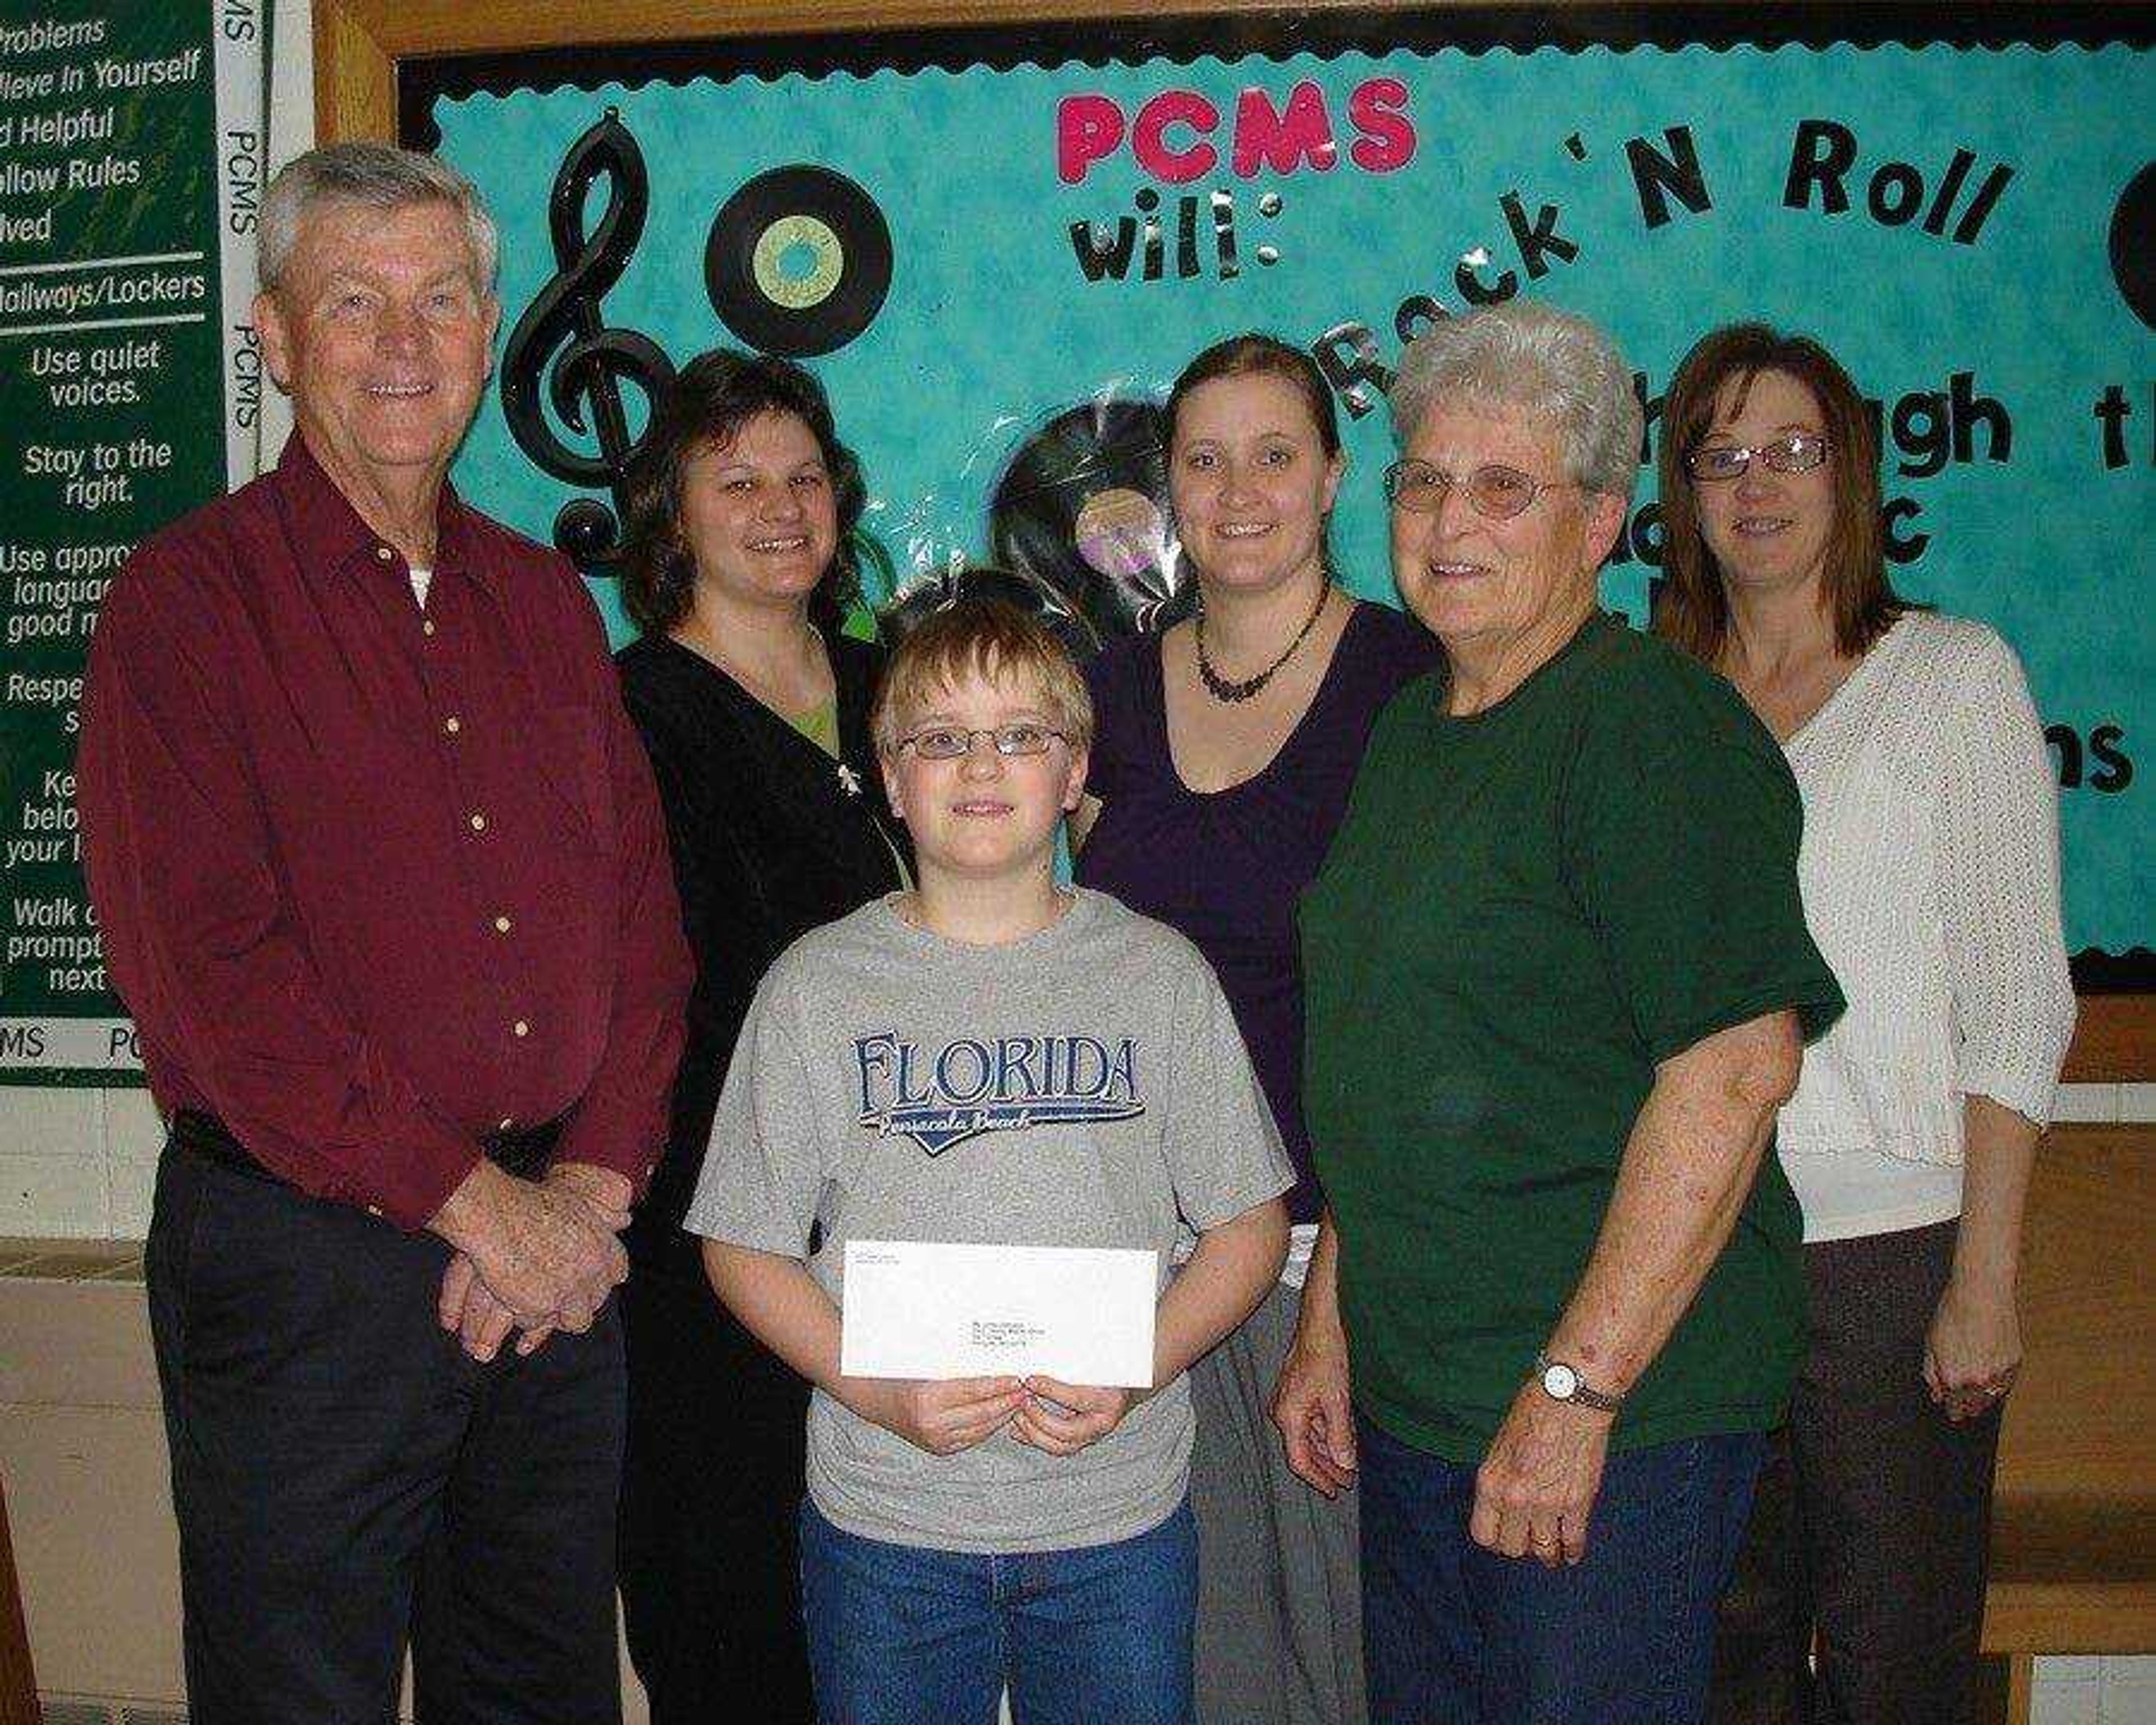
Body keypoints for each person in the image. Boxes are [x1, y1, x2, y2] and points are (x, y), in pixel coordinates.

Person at [74, 144, 692, 1721]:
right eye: (355, 303)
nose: (405, 345)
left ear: (493, 330)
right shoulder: (184, 608)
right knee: (303, 1698)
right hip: (306, 1263)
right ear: (277, 338)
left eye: (440, 301)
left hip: (553, 1244)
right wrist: (474, 1206)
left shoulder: (548, 605)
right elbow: (215, 988)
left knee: (539, 1689)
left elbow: (640, 928)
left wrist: (588, 1189)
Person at [1276, 299, 1847, 1725]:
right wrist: (1332, 1328)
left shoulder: (1653, 730)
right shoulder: (1415, 728)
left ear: (1598, 524)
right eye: (1421, 480)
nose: (1447, 520)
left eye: (1502, 486)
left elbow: (1731, 1075)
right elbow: (1388, 1056)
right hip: (1421, 1407)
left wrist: (1575, 1393)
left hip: (1609, 1423)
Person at [688, 596, 1294, 1725]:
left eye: (1022, 735)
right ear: (888, 771)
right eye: (942, 738)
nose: (982, 765)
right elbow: (742, 1245)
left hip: (1115, 1525)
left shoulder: (1158, 978)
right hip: (888, 1525)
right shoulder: (816, 989)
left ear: (1074, 775)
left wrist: (1142, 1364)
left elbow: (1250, 1227)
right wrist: (872, 1388)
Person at [1651, 325, 2077, 1725]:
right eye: (1722, 457)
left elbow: (2020, 1007)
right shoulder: (1655, 707)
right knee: (1724, 1660)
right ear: (1683, 493)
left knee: (1897, 1672)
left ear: (1851, 476)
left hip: (1895, 1268)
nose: (1757, 486)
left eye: (1793, 451)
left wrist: (1986, 1277)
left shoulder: (1952, 678)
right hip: (1699, 1255)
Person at [1071, 331, 1436, 1725]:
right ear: (1167, 486)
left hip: (1327, 1266)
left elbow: (1411, 1027)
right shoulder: (1104, 699)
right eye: (1205, 460)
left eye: (1275, 456)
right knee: (1198, 1664)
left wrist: (1331, 1301)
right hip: (1148, 1264)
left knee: (1343, 1663)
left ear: (1335, 476)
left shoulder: (1415, 689)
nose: (1238, 491)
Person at [613, 349, 910, 1722]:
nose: (779, 505)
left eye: (803, 475)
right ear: (673, 518)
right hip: (708, 1244)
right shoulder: (622, 715)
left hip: (908, 1222)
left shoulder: (902, 684)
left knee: (902, 1614)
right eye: (736, 481)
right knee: (732, 1615)